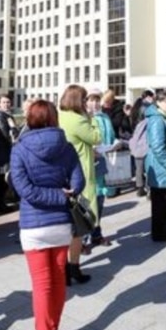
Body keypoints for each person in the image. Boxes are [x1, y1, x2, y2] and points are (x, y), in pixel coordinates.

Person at [9, 100, 86, 330]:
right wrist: (62, 196)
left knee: (42, 286)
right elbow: (78, 183)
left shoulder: (19, 149)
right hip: (60, 225)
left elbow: (24, 190)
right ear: (54, 118)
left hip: (33, 225)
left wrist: (52, 196)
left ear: (29, 118)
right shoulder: (66, 147)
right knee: (58, 280)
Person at [58, 85, 101, 284]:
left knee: (69, 227)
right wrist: (93, 118)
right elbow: (97, 137)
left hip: (64, 174)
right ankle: (72, 267)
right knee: (78, 226)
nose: (87, 103)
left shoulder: (60, 116)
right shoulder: (78, 120)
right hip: (80, 173)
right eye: (84, 99)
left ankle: (67, 268)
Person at [145, 91, 166, 241]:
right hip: (161, 167)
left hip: (165, 167)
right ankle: (159, 232)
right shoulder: (157, 120)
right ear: (158, 103)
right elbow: (158, 146)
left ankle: (162, 228)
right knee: (161, 203)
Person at [86, 90, 116, 247]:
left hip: (102, 159)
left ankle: (96, 233)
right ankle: (83, 237)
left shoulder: (104, 117)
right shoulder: (84, 118)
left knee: (99, 198)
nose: (95, 103)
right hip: (87, 163)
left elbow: (109, 137)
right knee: (87, 201)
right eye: (92, 100)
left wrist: (114, 144)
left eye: (97, 100)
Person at [0, 94, 18, 212]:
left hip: (3, 152)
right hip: (3, 153)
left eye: (8, 102)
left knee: (2, 180)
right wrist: (14, 130)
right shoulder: (0, 116)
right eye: (4, 102)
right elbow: (5, 136)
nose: (6, 104)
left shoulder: (5, 115)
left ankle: (0, 204)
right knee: (2, 180)